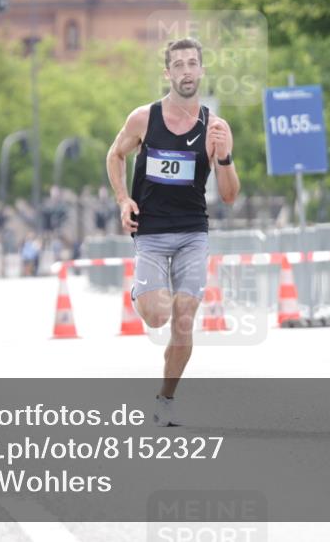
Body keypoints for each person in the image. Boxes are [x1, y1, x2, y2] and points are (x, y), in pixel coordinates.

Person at [106, 37, 240, 426]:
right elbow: (115, 155)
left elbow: (230, 196)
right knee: (157, 316)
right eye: (178, 65)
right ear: (167, 73)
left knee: (183, 318)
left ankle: (166, 399)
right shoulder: (143, 119)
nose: (185, 71)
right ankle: (142, 292)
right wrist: (122, 199)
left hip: (192, 233)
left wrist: (226, 155)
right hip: (150, 233)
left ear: (201, 71)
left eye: (191, 64)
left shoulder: (215, 127)